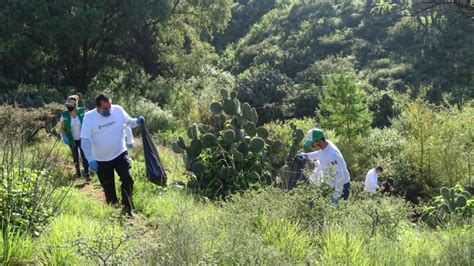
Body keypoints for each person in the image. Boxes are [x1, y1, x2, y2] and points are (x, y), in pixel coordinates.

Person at [80, 93, 144, 217]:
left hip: (120, 153)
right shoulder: (89, 118)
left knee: (128, 178)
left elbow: (129, 122)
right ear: (98, 107)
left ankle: (127, 207)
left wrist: (137, 121)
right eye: (105, 108)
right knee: (109, 191)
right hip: (101, 160)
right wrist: (90, 159)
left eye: (110, 106)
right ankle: (114, 212)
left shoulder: (118, 110)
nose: (109, 110)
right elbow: (85, 141)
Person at [298, 128, 351, 204]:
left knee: (336, 211)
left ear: (319, 141)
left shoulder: (333, 155)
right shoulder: (325, 145)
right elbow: (319, 154)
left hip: (341, 187)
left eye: (312, 144)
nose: (310, 147)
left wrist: (336, 197)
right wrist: (306, 156)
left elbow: (340, 177)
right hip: (330, 184)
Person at [60, 95, 90, 181]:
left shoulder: (82, 111)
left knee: (84, 156)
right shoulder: (64, 114)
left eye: (70, 106)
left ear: (76, 104)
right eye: (67, 106)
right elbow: (62, 128)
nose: (69, 107)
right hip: (71, 139)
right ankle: (78, 173)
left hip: (82, 138)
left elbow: (89, 123)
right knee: (75, 156)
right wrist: (64, 137)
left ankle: (87, 173)